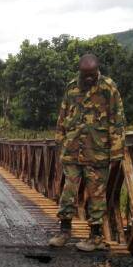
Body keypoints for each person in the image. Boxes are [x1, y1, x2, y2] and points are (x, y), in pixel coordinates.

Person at [48, 54, 125, 251]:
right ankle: (64, 231)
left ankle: (96, 236)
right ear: (80, 72)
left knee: (96, 194)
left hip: (97, 150)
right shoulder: (72, 87)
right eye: (85, 75)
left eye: (92, 75)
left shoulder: (109, 87)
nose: (89, 79)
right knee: (68, 191)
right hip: (72, 149)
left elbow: (117, 121)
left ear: (97, 71)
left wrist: (116, 153)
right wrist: (59, 141)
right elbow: (63, 115)